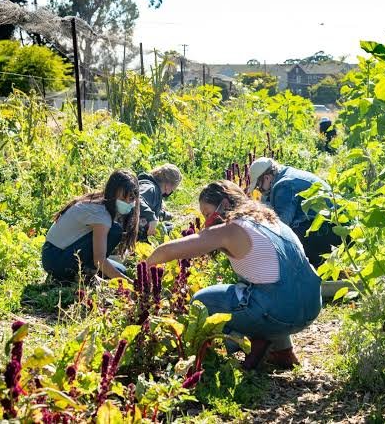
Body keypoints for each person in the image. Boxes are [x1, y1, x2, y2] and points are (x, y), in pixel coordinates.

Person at [146, 180, 321, 370]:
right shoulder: (270, 221)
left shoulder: (231, 229)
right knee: (263, 285)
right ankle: (283, 352)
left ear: (226, 204)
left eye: (207, 213)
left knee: (201, 301)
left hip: (278, 312)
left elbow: (169, 251)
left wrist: (145, 267)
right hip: (311, 306)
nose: (206, 220)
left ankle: (252, 343)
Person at [41, 169, 139, 284]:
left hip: (56, 253)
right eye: (122, 199)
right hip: (55, 258)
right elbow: (99, 259)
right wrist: (128, 284)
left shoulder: (101, 203)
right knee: (115, 231)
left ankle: (85, 272)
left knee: (121, 270)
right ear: (112, 194)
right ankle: (81, 275)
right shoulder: (101, 214)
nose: (127, 203)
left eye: (131, 199)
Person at [247, 157, 340, 267]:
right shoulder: (286, 175)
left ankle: (316, 274)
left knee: (292, 240)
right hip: (336, 226)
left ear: (266, 178)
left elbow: (281, 224)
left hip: (334, 229)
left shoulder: (284, 185)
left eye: (259, 187)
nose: (260, 191)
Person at [138, 164, 183, 240]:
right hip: (132, 231)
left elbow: (150, 207)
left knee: (169, 226)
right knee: (171, 231)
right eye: (173, 189)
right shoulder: (151, 189)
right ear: (168, 186)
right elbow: (137, 199)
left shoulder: (153, 189)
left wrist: (165, 215)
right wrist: (151, 218)